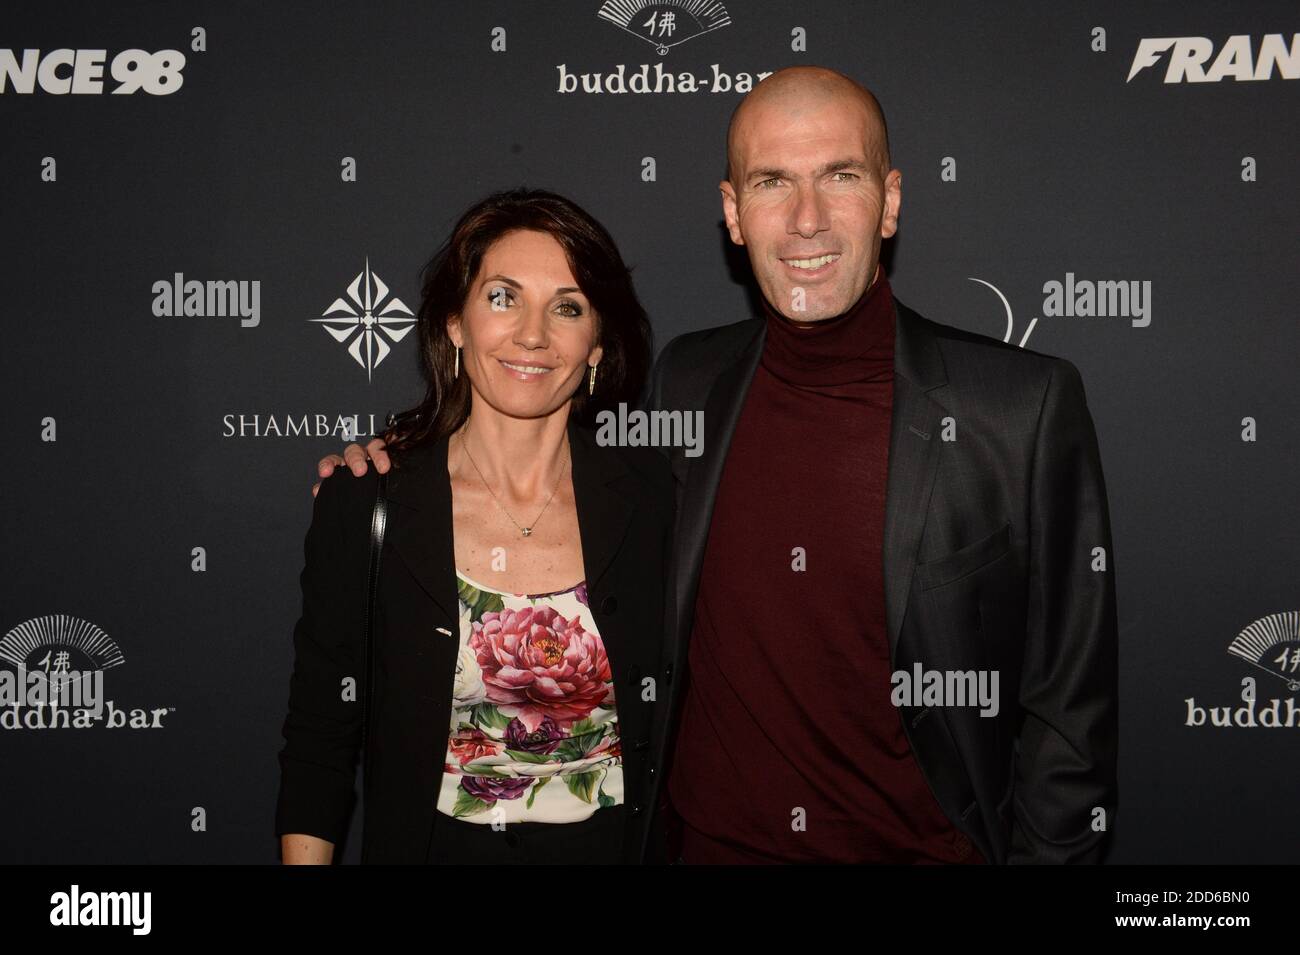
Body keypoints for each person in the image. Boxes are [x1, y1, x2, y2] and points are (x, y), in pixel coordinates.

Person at [318, 66, 1118, 864]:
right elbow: (540, 468)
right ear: (734, 213)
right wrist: (397, 468)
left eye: (839, 176)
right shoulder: (690, 383)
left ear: (892, 200)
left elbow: (1068, 718)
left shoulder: (1017, 409)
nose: (807, 219)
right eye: (773, 182)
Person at [276, 188, 674, 864]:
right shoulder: (368, 503)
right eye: (503, 297)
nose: (532, 334)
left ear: (598, 347)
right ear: (455, 322)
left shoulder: (659, 501)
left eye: (567, 307)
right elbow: (320, 741)